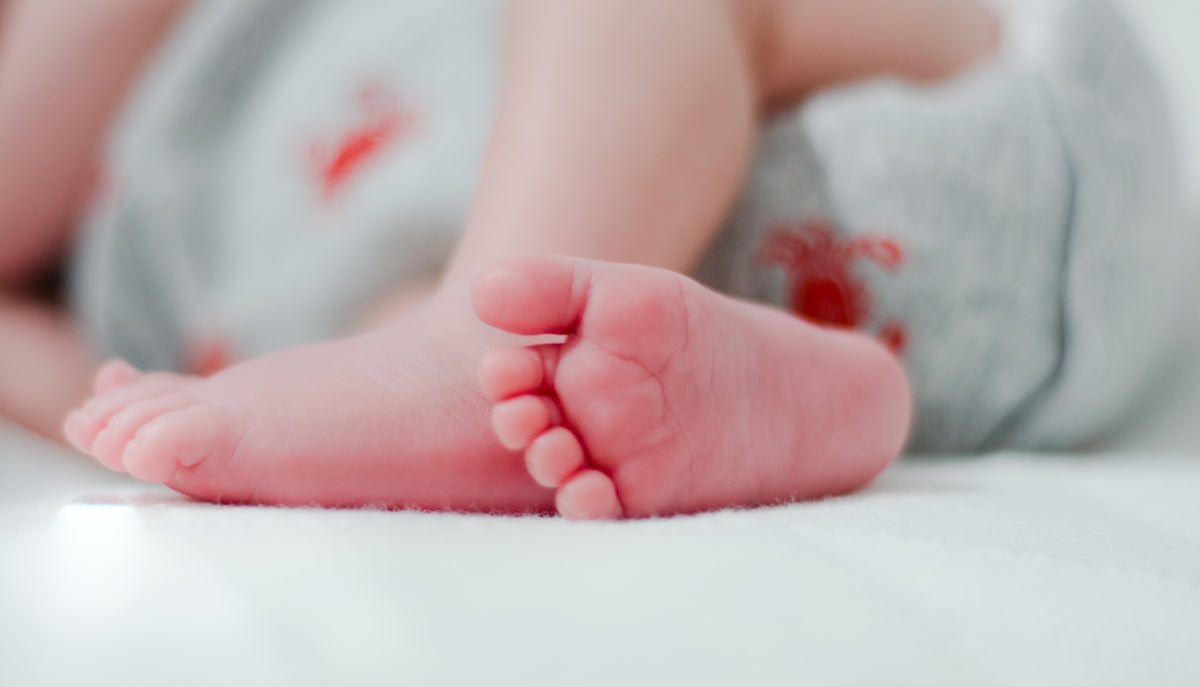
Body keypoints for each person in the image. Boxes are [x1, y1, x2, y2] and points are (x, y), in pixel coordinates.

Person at [3, 0, 1187, 518]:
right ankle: (797, 405)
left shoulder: (197, 46)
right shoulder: (128, 287)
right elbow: (122, 416)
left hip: (953, 106)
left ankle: (481, 344)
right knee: (394, 370)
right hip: (656, 346)